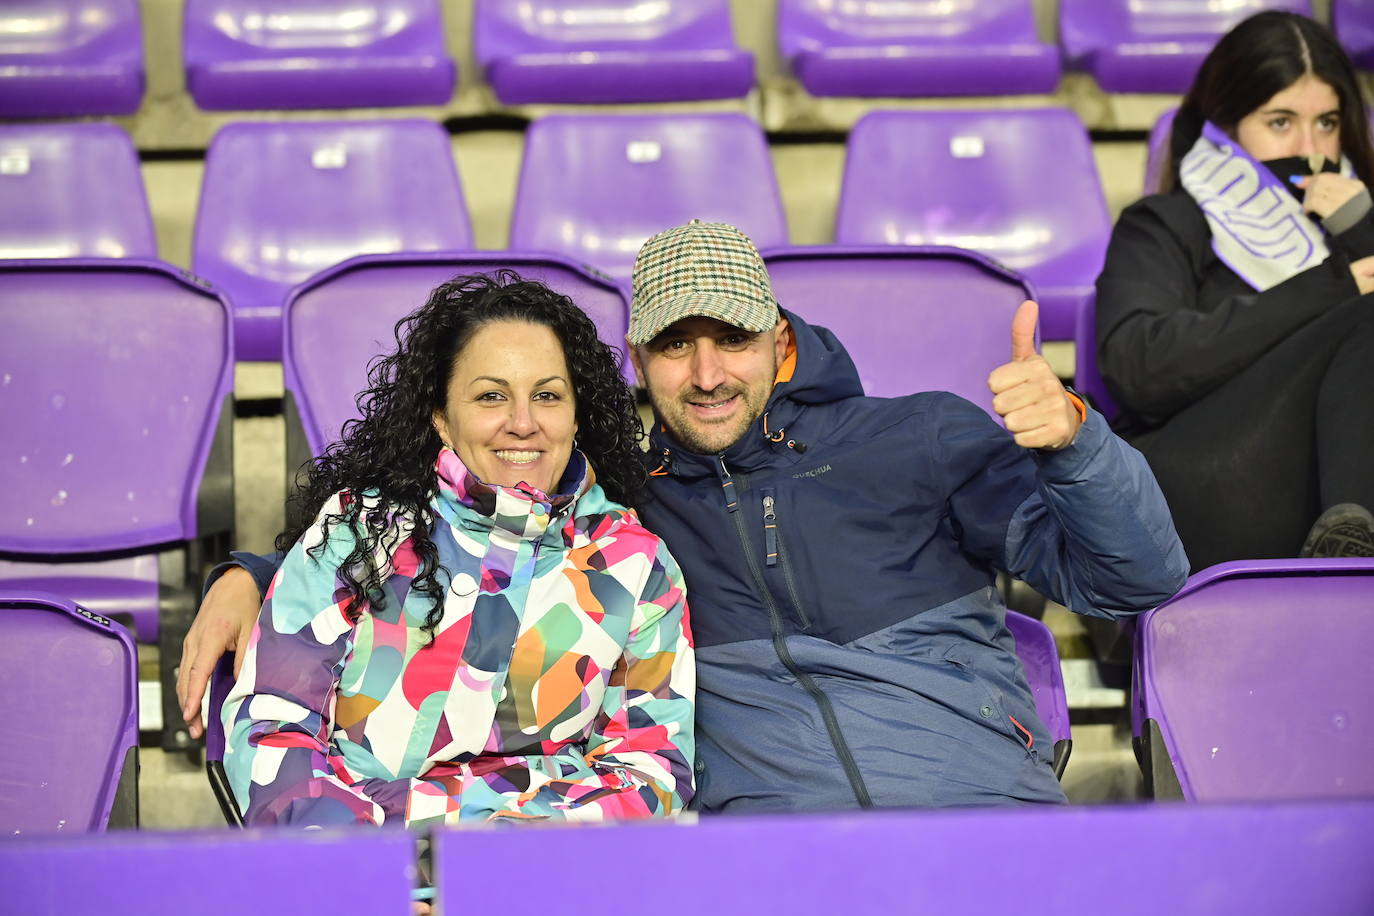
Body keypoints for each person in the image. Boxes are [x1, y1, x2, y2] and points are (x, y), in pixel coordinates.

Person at [186, 221, 1186, 811]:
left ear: (780, 345)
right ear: (636, 365)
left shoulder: (917, 438)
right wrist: (254, 574)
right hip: (774, 859)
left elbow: (1135, 580)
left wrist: (1078, 442)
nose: (707, 374)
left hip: (981, 813)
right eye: (676, 345)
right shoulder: (629, 500)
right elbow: (444, 516)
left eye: (733, 339)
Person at [218, 272, 694, 828]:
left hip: (541, 876)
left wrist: (500, 857)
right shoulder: (359, 527)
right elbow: (272, 722)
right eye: (491, 396)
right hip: (363, 873)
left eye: (547, 395)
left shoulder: (635, 564)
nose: (523, 423)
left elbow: (651, 770)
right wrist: (373, 867)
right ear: (442, 418)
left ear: (575, 415)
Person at [1096, 11, 1374, 570]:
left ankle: (1352, 542)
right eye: (1279, 122)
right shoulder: (1164, 224)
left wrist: (1363, 232)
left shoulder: (1354, 231)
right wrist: (1331, 288)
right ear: (1223, 126)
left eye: (1327, 123)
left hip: (1312, 491)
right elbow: (1141, 369)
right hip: (1196, 489)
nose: (1309, 147)